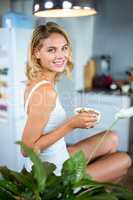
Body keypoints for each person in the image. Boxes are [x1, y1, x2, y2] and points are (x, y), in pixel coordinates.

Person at [22, 22, 132, 182]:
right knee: (124, 160)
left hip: (60, 154)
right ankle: (79, 188)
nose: (61, 55)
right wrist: (71, 125)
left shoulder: (40, 82)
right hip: (52, 174)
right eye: (51, 50)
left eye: (64, 48)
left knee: (112, 138)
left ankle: (88, 181)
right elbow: (27, 150)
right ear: (37, 53)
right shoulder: (45, 91)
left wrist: (76, 121)